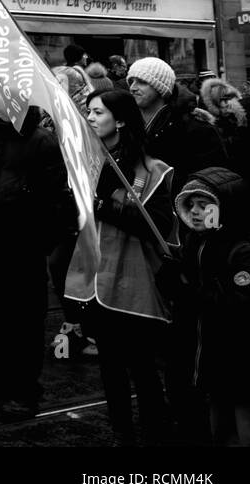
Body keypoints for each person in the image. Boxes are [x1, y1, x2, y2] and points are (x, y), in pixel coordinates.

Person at [65, 90, 176, 446]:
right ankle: (121, 432)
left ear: (122, 119)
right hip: (97, 280)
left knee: (142, 367)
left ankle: (156, 432)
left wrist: (102, 205)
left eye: (98, 112)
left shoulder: (153, 170)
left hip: (135, 284)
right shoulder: (87, 164)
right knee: (110, 366)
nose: (91, 118)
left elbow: (155, 226)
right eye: (89, 112)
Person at [0, 78, 71, 419]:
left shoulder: (40, 141)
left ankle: (24, 389)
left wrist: (39, 242)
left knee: (24, 321)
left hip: (22, 249)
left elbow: (55, 201)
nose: (6, 103)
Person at [169, 167, 250, 447]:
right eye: (191, 205)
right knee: (219, 429)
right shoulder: (194, 242)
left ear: (226, 208)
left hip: (245, 363)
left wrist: (190, 291)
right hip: (212, 360)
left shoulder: (244, 251)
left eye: (205, 205)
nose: (196, 212)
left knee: (249, 432)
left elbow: (242, 303)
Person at [126, 57, 226, 178]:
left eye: (142, 82)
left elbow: (213, 179)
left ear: (160, 88)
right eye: (131, 81)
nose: (132, 88)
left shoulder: (196, 129)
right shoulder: (128, 125)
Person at [200, 77, 250, 181]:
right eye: (222, 100)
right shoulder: (221, 124)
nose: (227, 104)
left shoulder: (248, 109)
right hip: (236, 174)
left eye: (229, 98)